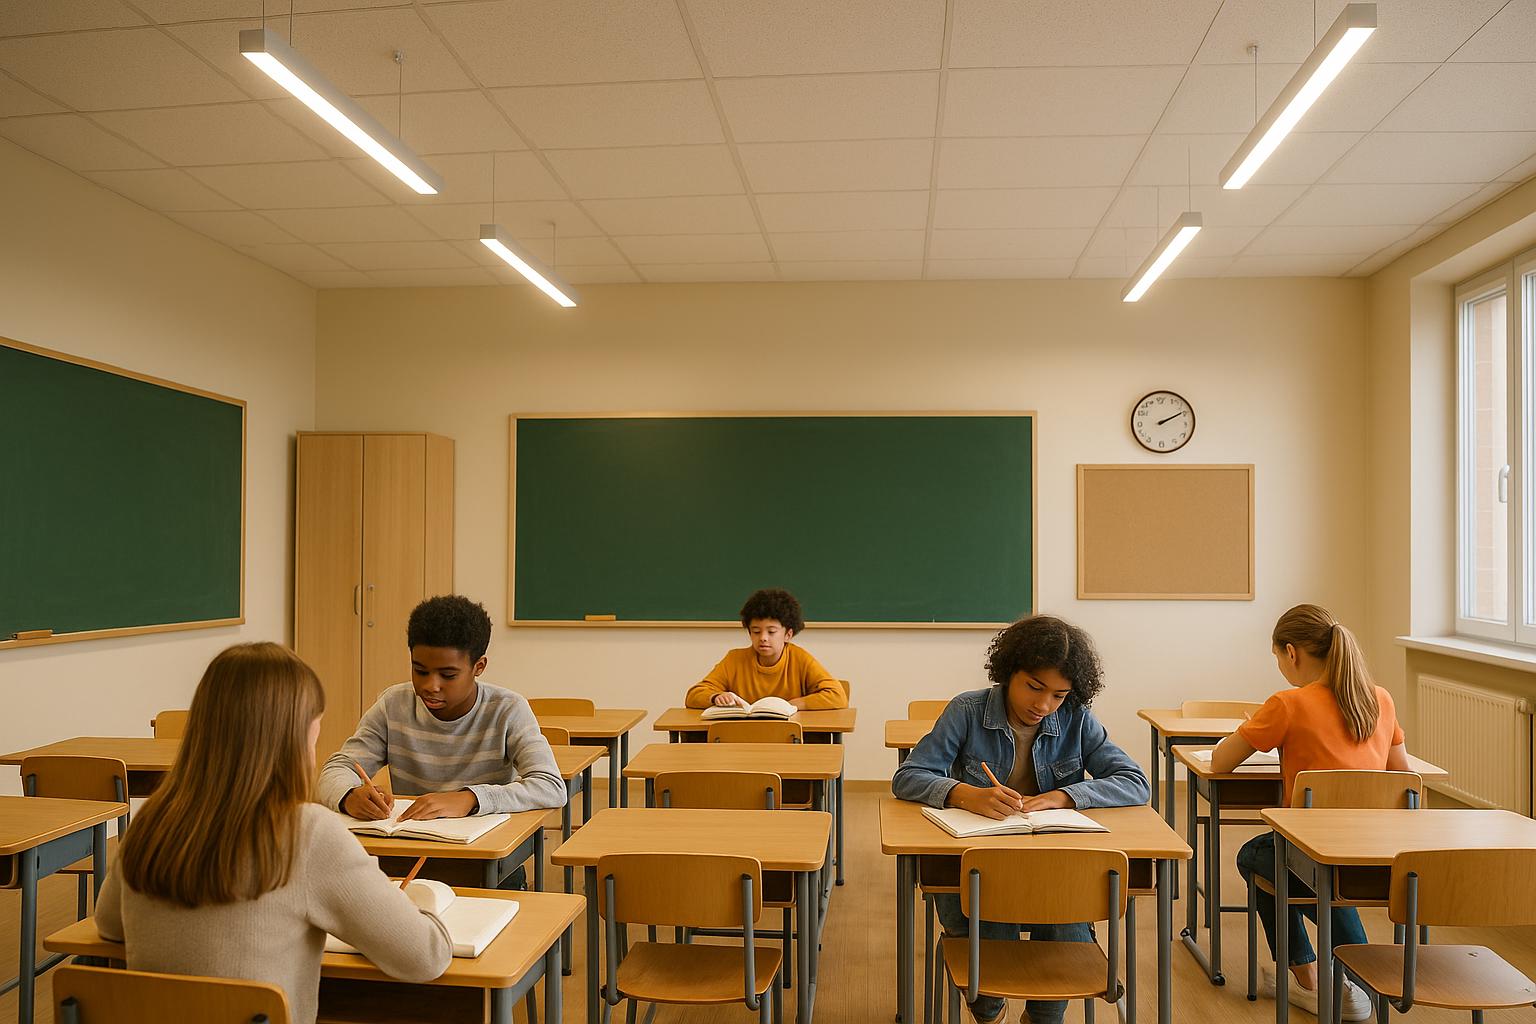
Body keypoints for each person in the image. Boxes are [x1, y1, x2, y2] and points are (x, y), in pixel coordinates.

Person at [96, 642, 451, 1024]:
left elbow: (110, 925)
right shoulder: (309, 832)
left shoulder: (151, 821)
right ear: (297, 736)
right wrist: (421, 904)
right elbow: (424, 957)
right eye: (316, 730)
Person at [892, 615, 1148, 1024]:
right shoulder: (967, 710)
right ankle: (990, 1012)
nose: (1043, 705)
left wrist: (1066, 796)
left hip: (1053, 862)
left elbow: (1135, 782)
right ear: (1009, 671)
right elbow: (908, 776)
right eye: (1034, 686)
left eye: (1059, 695)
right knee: (986, 945)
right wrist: (965, 794)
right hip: (980, 861)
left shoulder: (1077, 719)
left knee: (1065, 934)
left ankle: (1042, 1018)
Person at [1210, 604, 1407, 1022]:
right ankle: (1351, 975)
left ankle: (1314, 979)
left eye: (1279, 658)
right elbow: (1403, 779)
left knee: (1258, 857)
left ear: (1291, 652)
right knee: (1297, 867)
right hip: (1373, 849)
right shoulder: (1380, 699)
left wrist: (1247, 729)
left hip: (1312, 846)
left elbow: (1220, 763)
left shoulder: (1288, 703)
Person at [317, 595, 565, 887]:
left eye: (448, 675)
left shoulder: (508, 709)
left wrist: (471, 798)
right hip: (407, 861)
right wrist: (349, 796)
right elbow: (337, 768)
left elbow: (550, 786)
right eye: (419, 670)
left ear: (479, 666)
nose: (429, 686)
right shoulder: (393, 705)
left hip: (482, 863)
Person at [685, 587, 847, 710]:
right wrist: (716, 697)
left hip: (791, 742)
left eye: (771, 632)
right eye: (756, 631)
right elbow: (694, 695)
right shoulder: (734, 659)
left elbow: (837, 696)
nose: (763, 637)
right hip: (744, 739)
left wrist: (793, 705)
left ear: (788, 634)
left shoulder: (800, 659)